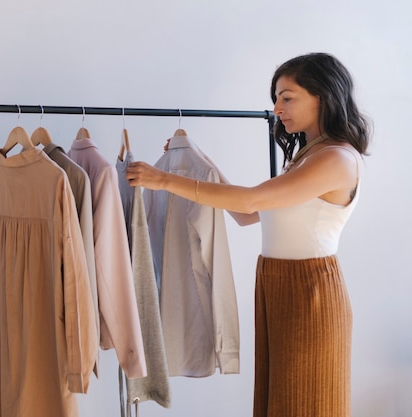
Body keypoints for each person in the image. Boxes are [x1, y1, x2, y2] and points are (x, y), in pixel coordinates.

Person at [126, 52, 370, 417]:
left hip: (311, 291)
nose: (277, 108)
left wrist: (165, 180)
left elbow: (252, 198)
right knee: (280, 403)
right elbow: (246, 213)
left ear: (322, 95)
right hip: (277, 283)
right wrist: (198, 162)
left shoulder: (336, 159)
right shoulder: (306, 156)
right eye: (276, 98)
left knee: (308, 402)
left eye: (287, 97)